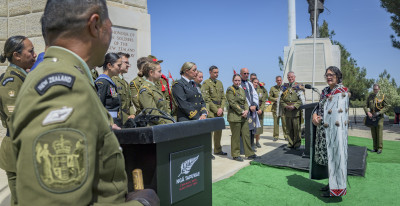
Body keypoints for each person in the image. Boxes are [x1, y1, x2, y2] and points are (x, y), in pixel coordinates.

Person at [9, 0, 159, 205]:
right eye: (110, 26)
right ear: (95, 25)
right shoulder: (62, 86)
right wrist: (142, 204)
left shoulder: (69, 76)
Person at [0, 35, 36, 206]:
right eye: (31, 51)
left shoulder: (23, 76)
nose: (35, 54)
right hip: (18, 148)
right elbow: (15, 119)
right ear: (17, 55)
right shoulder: (12, 80)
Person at [311, 66, 349, 197]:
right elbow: (319, 106)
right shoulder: (325, 90)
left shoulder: (342, 91)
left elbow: (340, 113)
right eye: (326, 75)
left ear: (338, 76)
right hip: (323, 131)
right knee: (328, 159)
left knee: (336, 158)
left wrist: (324, 118)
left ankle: (337, 188)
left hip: (335, 133)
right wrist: (315, 116)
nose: (328, 77)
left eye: (331, 74)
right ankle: (331, 183)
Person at [226, 74, 258, 161]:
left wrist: (247, 110)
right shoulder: (230, 89)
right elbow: (232, 103)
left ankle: (249, 153)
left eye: (239, 81)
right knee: (236, 136)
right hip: (235, 116)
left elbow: (246, 102)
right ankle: (235, 154)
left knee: (246, 134)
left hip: (244, 116)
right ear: (233, 81)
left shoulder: (241, 89)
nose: (237, 82)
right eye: (236, 80)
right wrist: (242, 111)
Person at [201, 66, 227, 156]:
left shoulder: (220, 83)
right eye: (215, 72)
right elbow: (207, 99)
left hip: (220, 110)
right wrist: (216, 110)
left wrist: (221, 108)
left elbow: (223, 97)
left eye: (217, 72)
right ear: (210, 72)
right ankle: (208, 152)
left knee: (218, 132)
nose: (217, 74)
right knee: (210, 133)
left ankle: (218, 150)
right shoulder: (206, 83)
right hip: (212, 111)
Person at [138, 61, 173, 125]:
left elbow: (164, 109)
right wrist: (167, 123)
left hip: (163, 125)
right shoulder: (145, 89)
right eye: (159, 71)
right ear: (151, 73)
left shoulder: (155, 87)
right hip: (154, 127)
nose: (161, 74)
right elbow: (153, 113)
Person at [95, 53, 123, 127]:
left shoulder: (109, 82)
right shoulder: (102, 82)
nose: (120, 68)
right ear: (109, 66)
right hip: (108, 124)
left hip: (115, 122)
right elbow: (98, 107)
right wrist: (109, 124)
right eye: (118, 65)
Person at [280, 72, 304, 150]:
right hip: (287, 111)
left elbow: (301, 100)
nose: (290, 78)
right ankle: (290, 143)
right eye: (289, 77)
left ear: (294, 77)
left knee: (297, 129)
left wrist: (294, 106)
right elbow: (280, 99)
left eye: (292, 77)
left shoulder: (299, 86)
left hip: (296, 111)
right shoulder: (284, 87)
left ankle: (297, 144)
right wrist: (285, 106)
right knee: (289, 129)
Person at [364, 83, 389, 154]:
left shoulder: (382, 96)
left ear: (379, 89)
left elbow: (387, 106)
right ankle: (375, 148)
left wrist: (379, 112)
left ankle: (380, 148)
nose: (375, 91)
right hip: (372, 116)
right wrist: (368, 112)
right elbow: (365, 105)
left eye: (376, 89)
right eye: (374, 89)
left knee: (379, 132)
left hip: (379, 117)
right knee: (373, 132)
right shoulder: (370, 96)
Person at [112, 52, 135, 125]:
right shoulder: (113, 80)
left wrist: (133, 114)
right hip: (119, 120)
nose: (128, 65)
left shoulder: (125, 83)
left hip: (127, 120)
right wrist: (127, 118)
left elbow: (130, 103)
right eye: (126, 63)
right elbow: (113, 104)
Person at [240, 68, 260, 151]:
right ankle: (243, 148)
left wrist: (254, 105)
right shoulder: (239, 83)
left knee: (252, 129)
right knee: (244, 131)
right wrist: (249, 107)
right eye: (244, 73)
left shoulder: (250, 84)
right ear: (241, 74)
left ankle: (251, 146)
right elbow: (242, 98)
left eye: (247, 73)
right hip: (244, 110)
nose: (246, 75)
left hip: (252, 111)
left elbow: (255, 95)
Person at [269, 76, 288, 141]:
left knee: (285, 123)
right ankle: (276, 136)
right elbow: (269, 98)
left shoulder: (285, 88)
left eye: (280, 80)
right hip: (275, 108)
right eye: (278, 80)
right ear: (276, 81)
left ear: (281, 80)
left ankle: (286, 136)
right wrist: (275, 99)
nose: (279, 81)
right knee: (276, 123)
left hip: (283, 109)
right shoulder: (272, 88)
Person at [252, 78, 268, 148]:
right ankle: (251, 142)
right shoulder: (249, 90)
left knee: (259, 127)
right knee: (251, 127)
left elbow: (264, 100)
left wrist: (261, 109)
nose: (256, 84)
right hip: (252, 110)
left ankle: (257, 141)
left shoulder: (261, 90)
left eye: (257, 82)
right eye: (254, 82)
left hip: (260, 111)